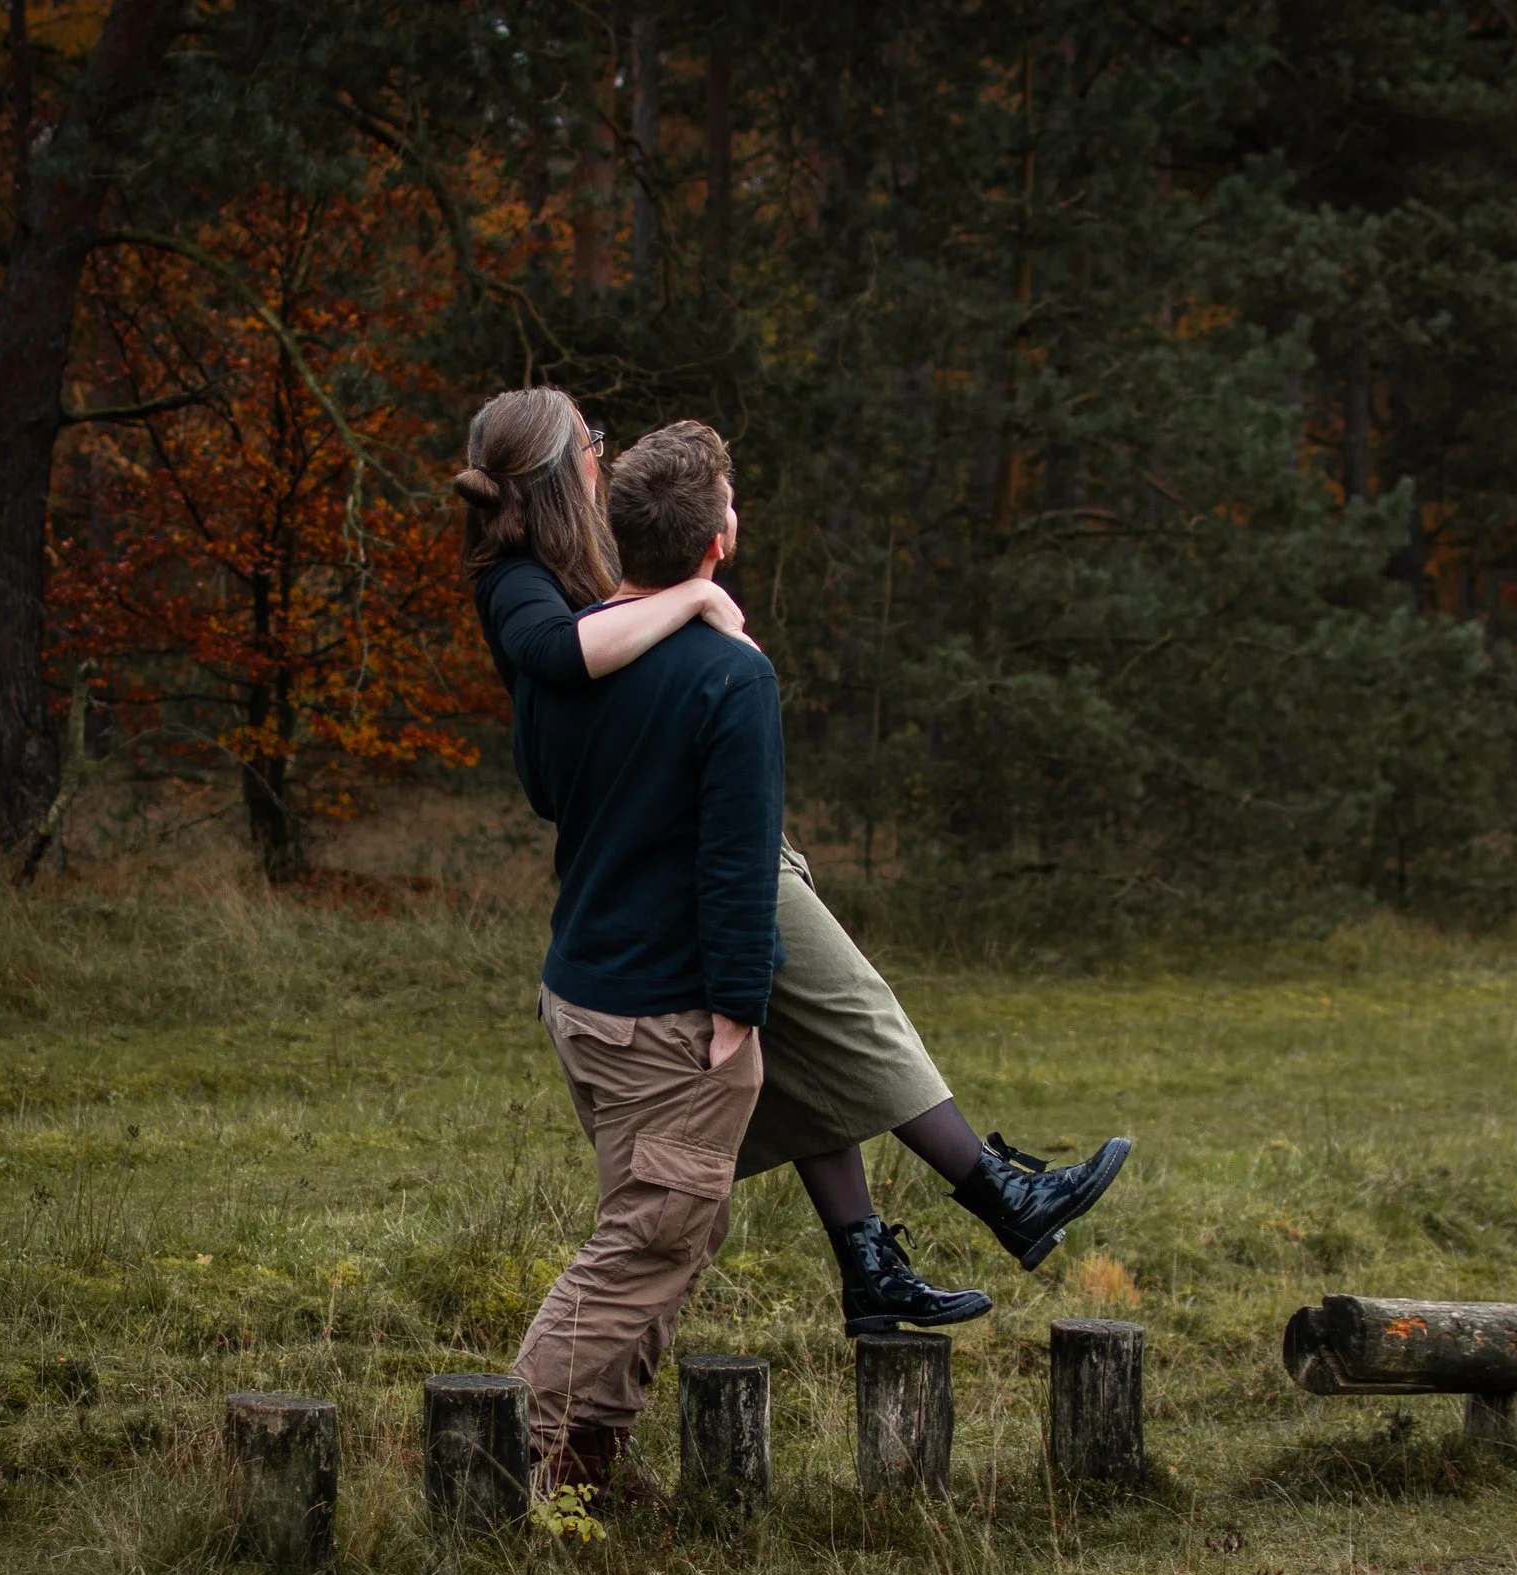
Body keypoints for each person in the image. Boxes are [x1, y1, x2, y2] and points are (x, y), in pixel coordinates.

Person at [471, 404, 1132, 1346]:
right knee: (855, 1009)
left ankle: (868, 1255)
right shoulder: (528, 585)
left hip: (663, 858)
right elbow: (559, 664)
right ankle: (995, 1190)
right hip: (698, 856)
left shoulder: (583, 571)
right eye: (593, 444)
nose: (603, 453)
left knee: (811, 1040)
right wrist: (698, 604)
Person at [459, 393, 782, 1496]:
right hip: (668, 1005)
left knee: (662, 1226)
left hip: (581, 991)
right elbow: (739, 861)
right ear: (715, 540)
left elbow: (550, 789)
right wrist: (739, 1008)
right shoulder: (726, 675)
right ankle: (494, 1456)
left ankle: (592, 1455)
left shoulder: (565, 662)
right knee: (651, 1234)